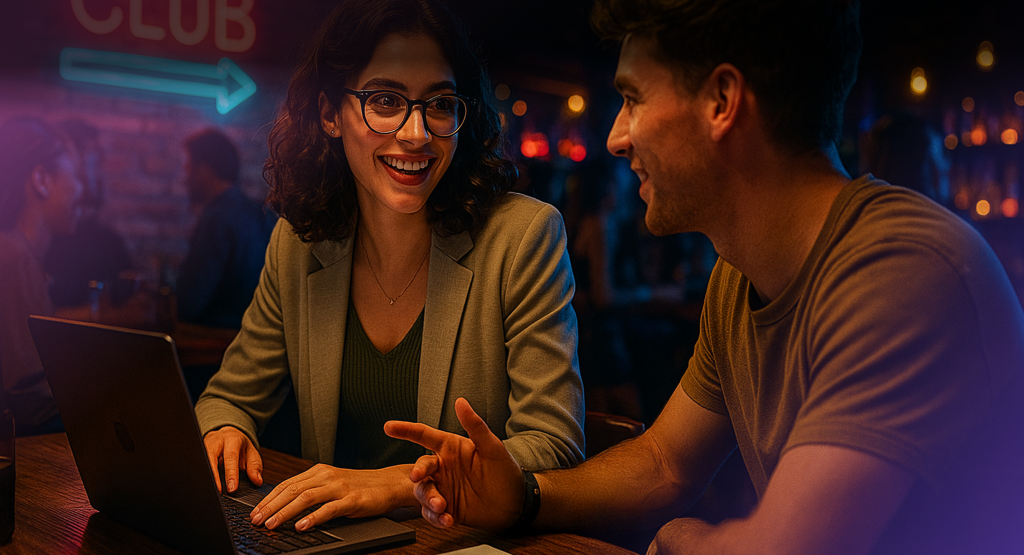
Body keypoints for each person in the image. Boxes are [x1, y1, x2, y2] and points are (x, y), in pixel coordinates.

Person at [384, 1, 1024, 554]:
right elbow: (664, 462)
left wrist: (680, 539)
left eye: (632, 98)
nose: (614, 137)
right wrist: (522, 496)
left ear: (722, 101)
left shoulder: (904, 270)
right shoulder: (738, 272)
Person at [195, 0, 584, 532]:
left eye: (440, 104)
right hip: (331, 540)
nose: (417, 133)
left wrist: (396, 485)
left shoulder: (524, 237)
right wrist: (224, 429)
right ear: (330, 114)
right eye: (385, 100)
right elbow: (229, 396)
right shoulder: (298, 241)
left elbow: (554, 446)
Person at [0, 117, 84, 435]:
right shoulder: (13, 257)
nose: (81, 189)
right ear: (41, 180)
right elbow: (29, 398)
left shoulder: (17, 253)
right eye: (75, 175)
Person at [176, 128, 277, 329]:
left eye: (188, 168)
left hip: (217, 348)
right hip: (262, 341)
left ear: (204, 169)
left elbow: (190, 304)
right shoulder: (263, 214)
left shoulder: (215, 218)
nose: (185, 179)